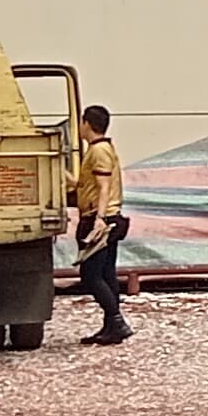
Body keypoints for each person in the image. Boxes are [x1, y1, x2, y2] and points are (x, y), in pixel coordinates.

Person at [68, 103, 130, 346]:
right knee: (106, 272)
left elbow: (103, 187)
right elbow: (89, 186)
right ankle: (110, 325)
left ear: (86, 124)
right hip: (107, 217)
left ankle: (116, 321)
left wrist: (99, 220)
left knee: (90, 274)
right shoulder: (100, 149)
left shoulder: (99, 151)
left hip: (101, 219)